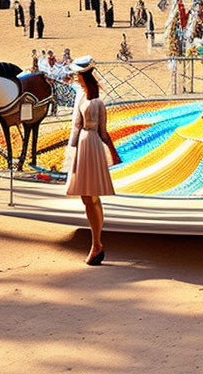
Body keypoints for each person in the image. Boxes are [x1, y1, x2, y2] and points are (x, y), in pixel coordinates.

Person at [65, 55, 119, 265]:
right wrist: (71, 151)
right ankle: (96, 244)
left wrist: (113, 152)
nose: (76, 78)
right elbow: (76, 125)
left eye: (78, 75)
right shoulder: (83, 97)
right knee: (89, 198)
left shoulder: (97, 102)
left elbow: (104, 132)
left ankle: (96, 244)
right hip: (85, 146)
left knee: (91, 197)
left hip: (93, 145)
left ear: (83, 76)